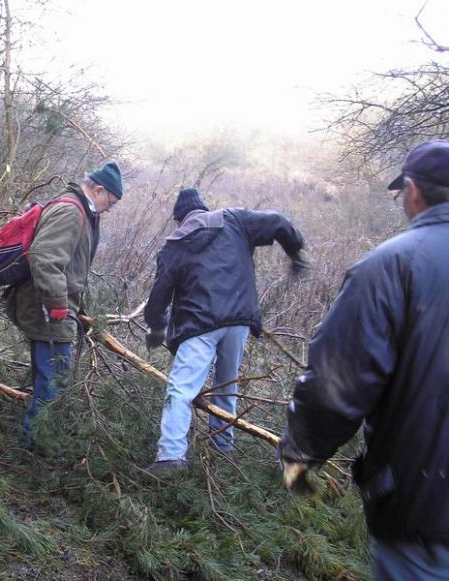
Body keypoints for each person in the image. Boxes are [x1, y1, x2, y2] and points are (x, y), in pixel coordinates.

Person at [279, 140, 449, 579]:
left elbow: (336, 383)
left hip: (427, 515)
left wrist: (301, 453)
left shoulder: (391, 266)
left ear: (412, 191)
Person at [144, 188, 308, 474]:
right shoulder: (234, 220)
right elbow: (280, 222)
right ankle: (222, 451)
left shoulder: (176, 243)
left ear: (179, 218)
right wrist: (295, 254)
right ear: (204, 208)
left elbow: (159, 297)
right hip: (238, 321)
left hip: (198, 325)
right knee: (226, 387)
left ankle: (170, 457)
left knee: (181, 390)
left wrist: (156, 327)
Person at [10, 161, 123, 448]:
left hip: (50, 307)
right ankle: (36, 448)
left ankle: (35, 441)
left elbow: (68, 265)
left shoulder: (79, 210)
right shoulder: (71, 212)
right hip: (47, 309)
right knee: (54, 382)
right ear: (98, 190)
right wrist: (60, 303)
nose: (109, 209)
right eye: (109, 202)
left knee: (49, 379)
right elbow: (44, 258)